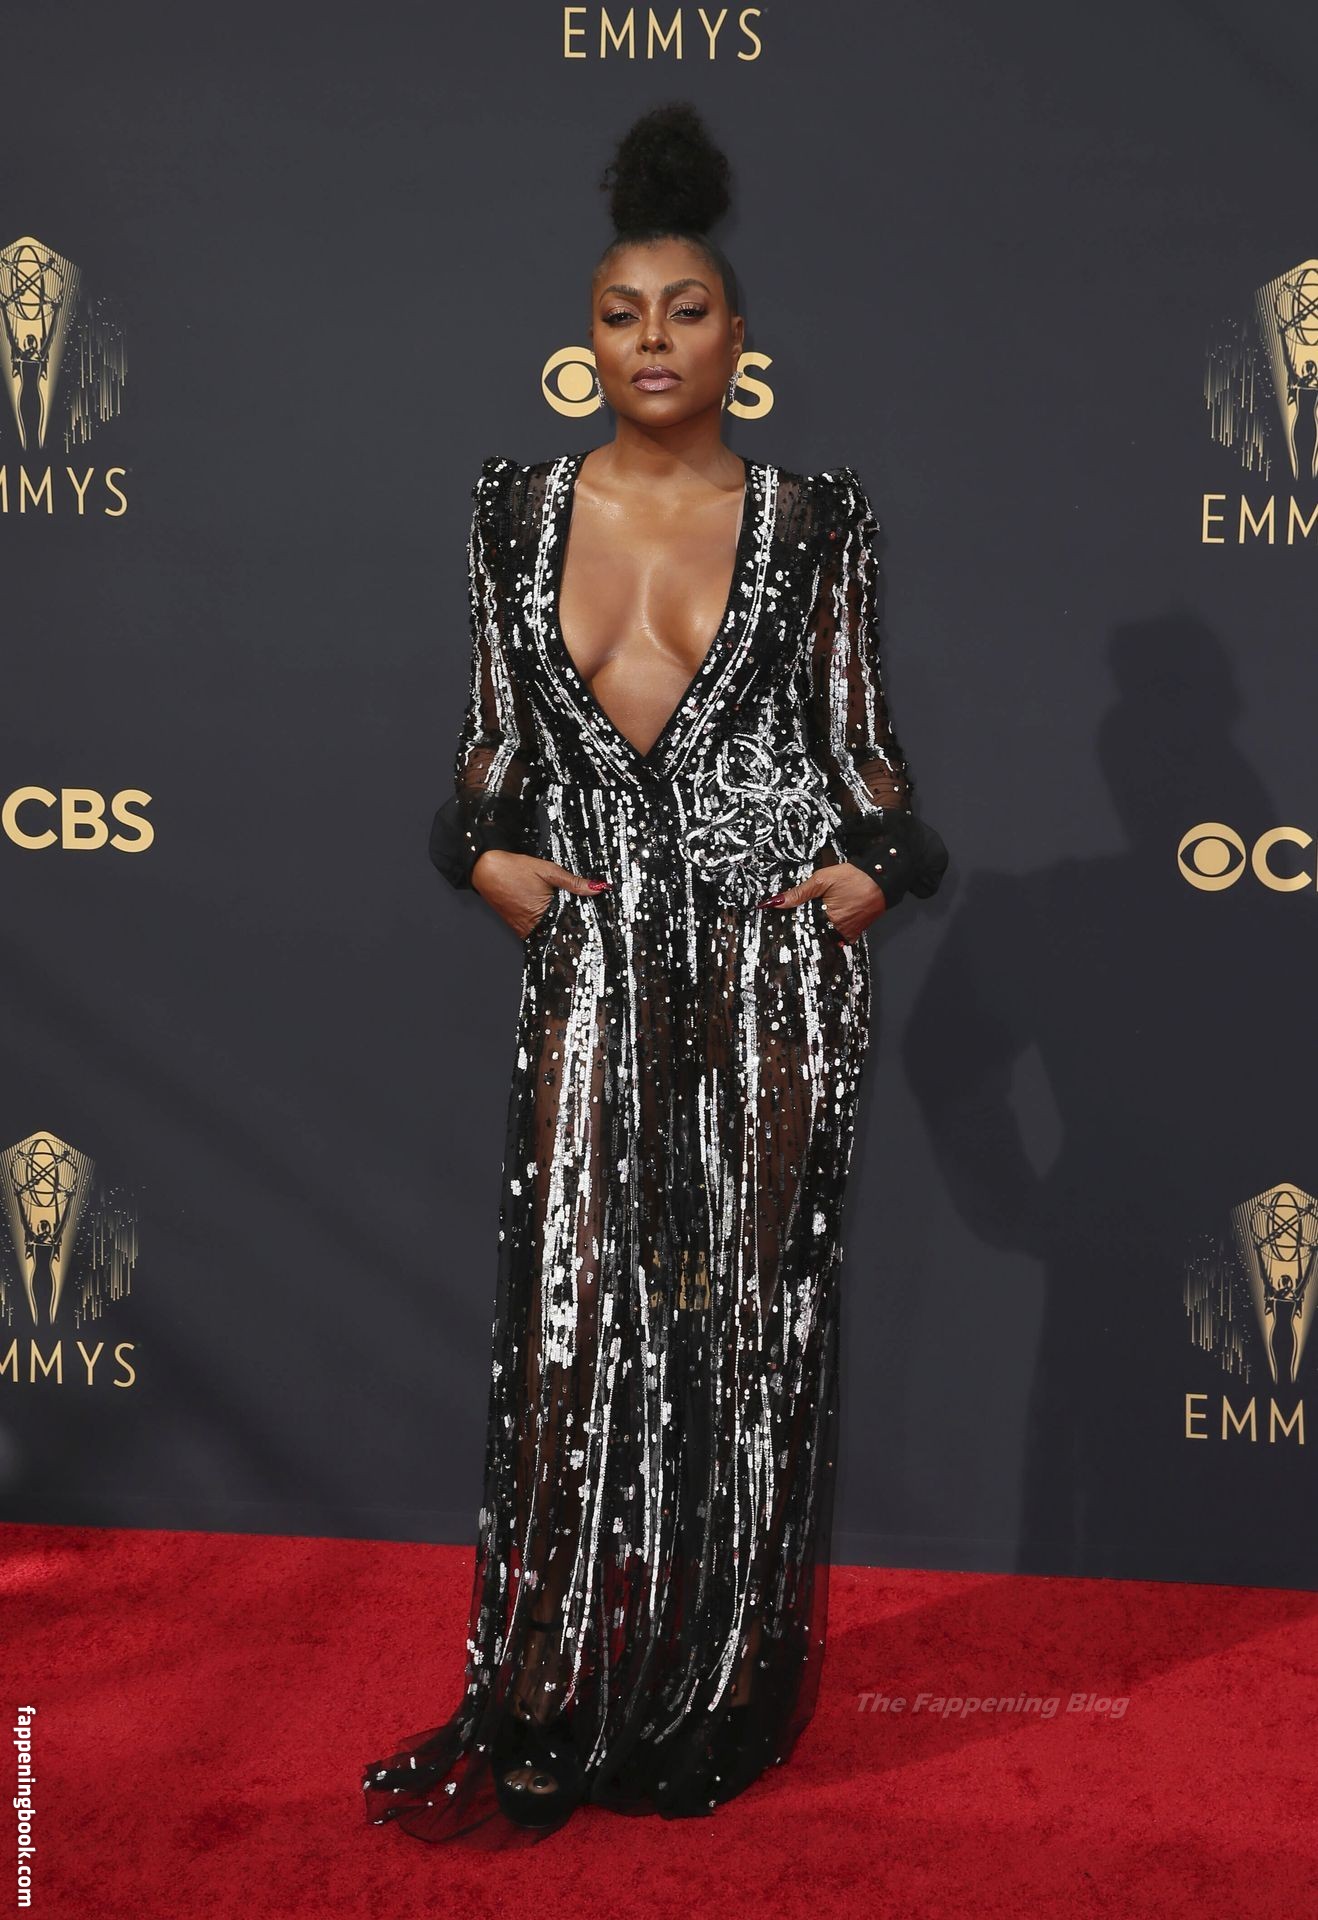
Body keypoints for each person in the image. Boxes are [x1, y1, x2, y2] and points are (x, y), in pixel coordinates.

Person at [362, 99, 949, 1843]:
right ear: (588, 337)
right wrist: (478, 855)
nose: (653, 339)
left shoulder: (815, 517)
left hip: (771, 966)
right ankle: (552, 1686)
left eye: (685, 311)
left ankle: (712, 1685)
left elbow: (863, 745)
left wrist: (880, 867)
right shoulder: (512, 509)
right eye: (621, 313)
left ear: (735, 337)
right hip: (598, 955)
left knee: (742, 1328)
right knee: (571, 1322)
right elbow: (488, 738)